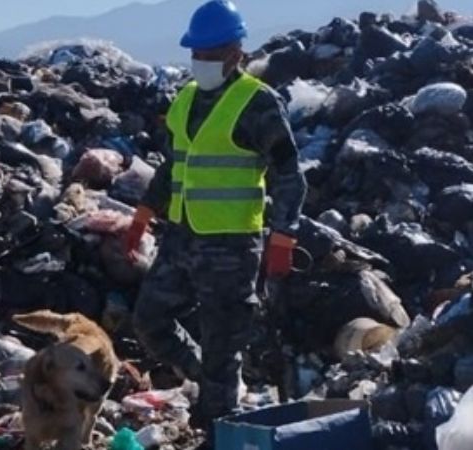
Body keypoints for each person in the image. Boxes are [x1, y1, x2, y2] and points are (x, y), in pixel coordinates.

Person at [125, 0, 307, 441]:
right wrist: (145, 211)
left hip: (230, 245)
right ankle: (208, 379)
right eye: (196, 54)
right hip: (183, 237)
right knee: (149, 321)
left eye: (210, 54)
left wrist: (284, 235)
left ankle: (217, 426)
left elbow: (290, 174)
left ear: (233, 53)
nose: (201, 62)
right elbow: (174, 165)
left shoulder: (256, 103)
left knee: (223, 348)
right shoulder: (186, 98)